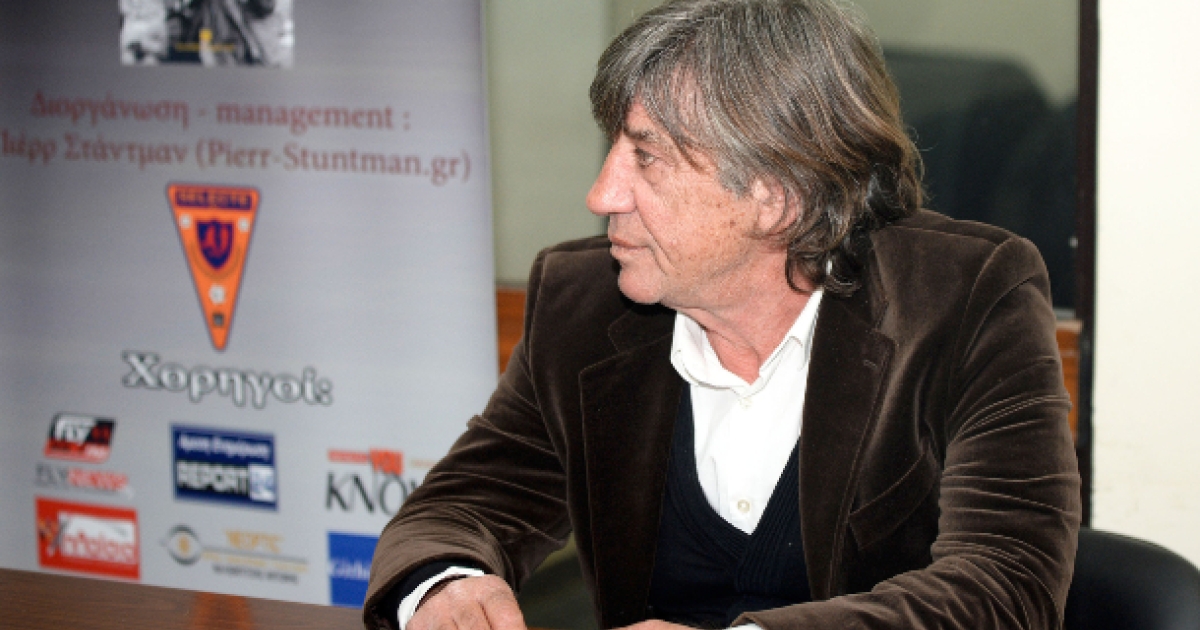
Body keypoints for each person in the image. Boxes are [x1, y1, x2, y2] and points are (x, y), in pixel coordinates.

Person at [363, 1, 1081, 629]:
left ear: (777, 196)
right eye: (613, 148)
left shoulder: (965, 300)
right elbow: (463, 506)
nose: (602, 194)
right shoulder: (581, 302)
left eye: (646, 158)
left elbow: (1006, 586)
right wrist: (447, 584)